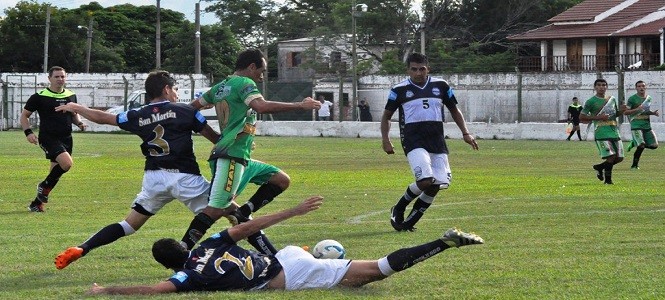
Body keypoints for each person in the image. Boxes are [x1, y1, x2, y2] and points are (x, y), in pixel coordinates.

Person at [84, 196, 484, 295]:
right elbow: (249, 225)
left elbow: (153, 291)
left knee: (374, 271)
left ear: (168, 264)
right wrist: (292, 210)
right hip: (285, 255)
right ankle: (325, 258)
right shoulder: (209, 243)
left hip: (289, 273)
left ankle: (444, 241)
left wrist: (108, 289)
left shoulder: (188, 275)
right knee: (355, 282)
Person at [52, 70, 220, 270]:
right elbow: (216, 140)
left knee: (128, 225)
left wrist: (77, 107)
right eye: (175, 89)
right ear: (166, 89)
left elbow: (104, 118)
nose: (176, 93)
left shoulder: (137, 114)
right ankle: (263, 254)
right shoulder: (186, 111)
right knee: (231, 211)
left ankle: (83, 248)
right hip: (184, 177)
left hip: (154, 179)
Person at [180, 48, 321, 250]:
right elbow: (261, 107)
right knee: (215, 209)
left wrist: (217, 136)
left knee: (280, 180)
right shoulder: (245, 83)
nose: (261, 76)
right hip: (231, 157)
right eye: (261, 70)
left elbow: (190, 109)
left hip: (239, 156)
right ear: (252, 66)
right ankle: (182, 251)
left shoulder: (220, 87)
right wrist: (300, 105)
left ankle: (244, 212)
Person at [381, 53, 479, 232]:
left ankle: (410, 222)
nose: (418, 73)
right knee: (425, 180)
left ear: (428, 68)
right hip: (413, 139)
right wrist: (386, 139)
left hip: (436, 140)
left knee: (437, 184)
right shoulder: (399, 90)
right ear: (408, 70)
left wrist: (466, 133)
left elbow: (454, 110)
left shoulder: (441, 86)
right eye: (414, 69)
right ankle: (399, 207)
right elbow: (387, 116)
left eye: (422, 69)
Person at [20, 66, 87, 212]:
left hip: (67, 138)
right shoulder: (39, 96)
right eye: (56, 76)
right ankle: (42, 186)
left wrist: (80, 123)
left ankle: (36, 204)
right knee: (67, 164)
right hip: (48, 138)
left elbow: (74, 115)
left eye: (62, 76)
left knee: (54, 175)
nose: (60, 79)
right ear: (49, 78)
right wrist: (28, 132)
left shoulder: (71, 95)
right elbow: (24, 115)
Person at [579, 78, 625, 184]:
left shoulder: (612, 99)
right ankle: (608, 181)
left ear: (606, 87)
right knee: (611, 156)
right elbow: (582, 117)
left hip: (614, 131)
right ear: (595, 87)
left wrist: (622, 111)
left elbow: (615, 114)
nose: (601, 87)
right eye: (599, 85)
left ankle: (599, 167)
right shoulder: (591, 101)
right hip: (601, 132)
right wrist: (598, 117)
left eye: (604, 85)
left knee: (619, 158)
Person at [624, 80, 659, 169]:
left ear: (645, 87)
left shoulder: (649, 98)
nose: (641, 88)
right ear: (636, 88)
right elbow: (626, 112)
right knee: (641, 145)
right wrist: (637, 109)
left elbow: (645, 111)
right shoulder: (632, 99)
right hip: (636, 125)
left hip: (646, 125)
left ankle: (634, 143)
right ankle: (634, 165)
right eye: (639, 86)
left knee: (654, 146)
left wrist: (653, 113)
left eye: (643, 86)